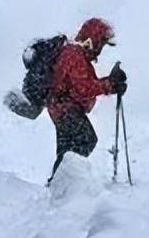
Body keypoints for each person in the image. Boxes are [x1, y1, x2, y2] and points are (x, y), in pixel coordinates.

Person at [47, 18, 126, 182]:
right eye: (101, 44)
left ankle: (59, 184)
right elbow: (83, 87)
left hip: (61, 108)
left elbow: (85, 84)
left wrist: (110, 82)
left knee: (67, 150)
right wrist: (110, 84)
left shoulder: (77, 55)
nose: (100, 50)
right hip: (65, 108)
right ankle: (65, 183)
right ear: (92, 40)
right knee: (86, 140)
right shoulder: (73, 54)